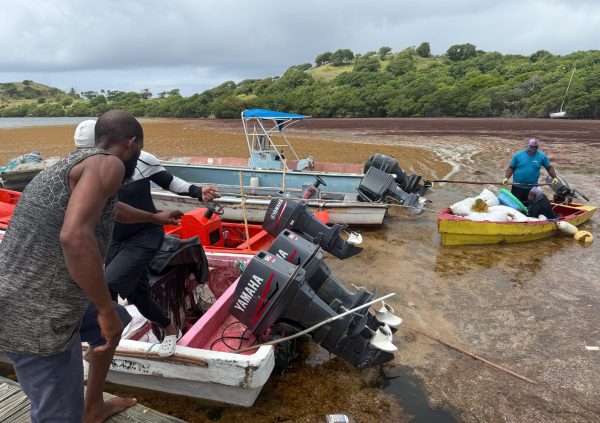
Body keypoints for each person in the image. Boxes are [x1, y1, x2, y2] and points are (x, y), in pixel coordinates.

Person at [0, 110, 182, 422]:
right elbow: (74, 236)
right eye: (137, 152)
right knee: (58, 413)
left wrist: (153, 217)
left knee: (115, 325)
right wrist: (105, 310)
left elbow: (110, 207)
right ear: (131, 144)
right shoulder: (108, 163)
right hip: (36, 313)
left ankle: (93, 406)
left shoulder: (77, 162)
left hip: (43, 292)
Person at [75, 120, 220, 357]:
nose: (89, 156)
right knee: (138, 295)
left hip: (146, 234)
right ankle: (170, 330)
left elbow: (169, 181)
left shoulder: (140, 159)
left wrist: (197, 191)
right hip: (114, 238)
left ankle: (101, 346)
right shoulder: (85, 167)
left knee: (107, 285)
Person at [503, 138, 558, 203]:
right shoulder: (518, 155)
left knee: (531, 208)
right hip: (517, 187)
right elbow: (511, 168)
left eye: (536, 147)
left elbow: (549, 167)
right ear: (528, 145)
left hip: (532, 189)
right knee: (516, 206)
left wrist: (554, 177)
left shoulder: (542, 156)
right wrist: (506, 178)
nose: (533, 148)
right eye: (532, 146)